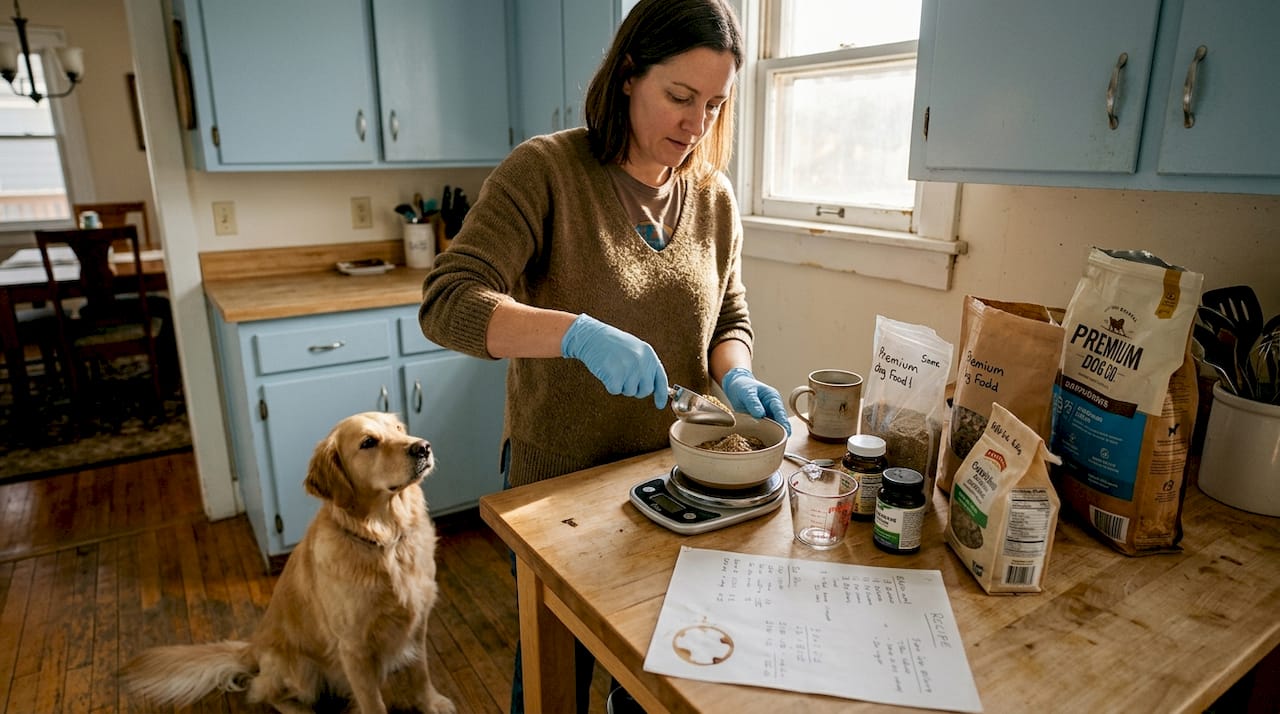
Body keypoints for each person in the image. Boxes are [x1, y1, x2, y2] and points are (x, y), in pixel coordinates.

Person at [418, 0, 787, 710]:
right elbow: (447, 302)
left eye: (714, 104)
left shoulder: (714, 198)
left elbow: (728, 316)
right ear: (627, 75)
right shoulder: (547, 171)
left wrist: (735, 373)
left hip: (674, 483)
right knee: (555, 676)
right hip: (560, 488)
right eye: (679, 97)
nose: (695, 124)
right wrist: (574, 334)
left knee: (647, 675)